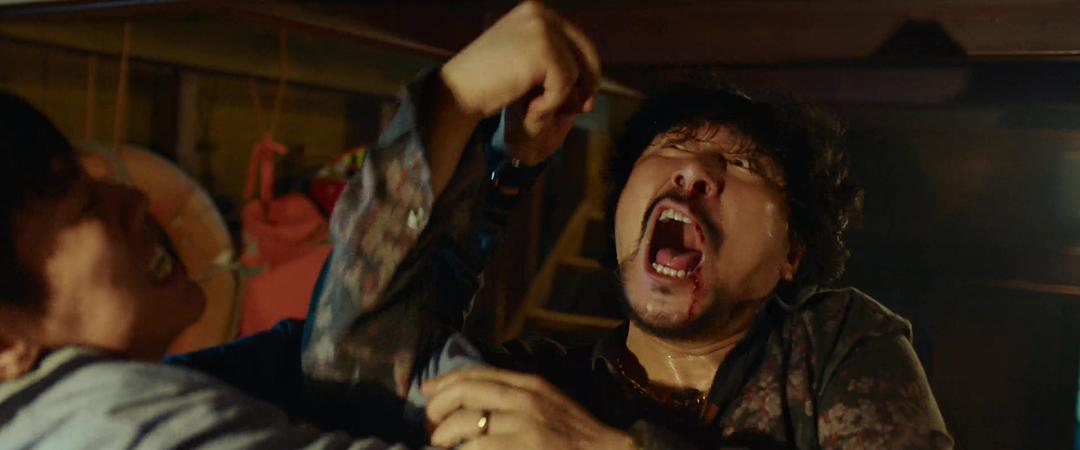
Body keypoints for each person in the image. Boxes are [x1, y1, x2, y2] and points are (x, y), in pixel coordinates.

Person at [285, 2, 954, 449]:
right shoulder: (543, 389)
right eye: (672, 146)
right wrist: (455, 104)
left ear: (792, 255)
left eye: (741, 164)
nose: (693, 170)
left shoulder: (834, 344)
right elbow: (349, 371)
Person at [0, 90, 447, 449]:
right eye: (87, 207)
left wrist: (451, 106)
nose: (136, 200)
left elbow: (304, 354)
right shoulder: (122, 425)